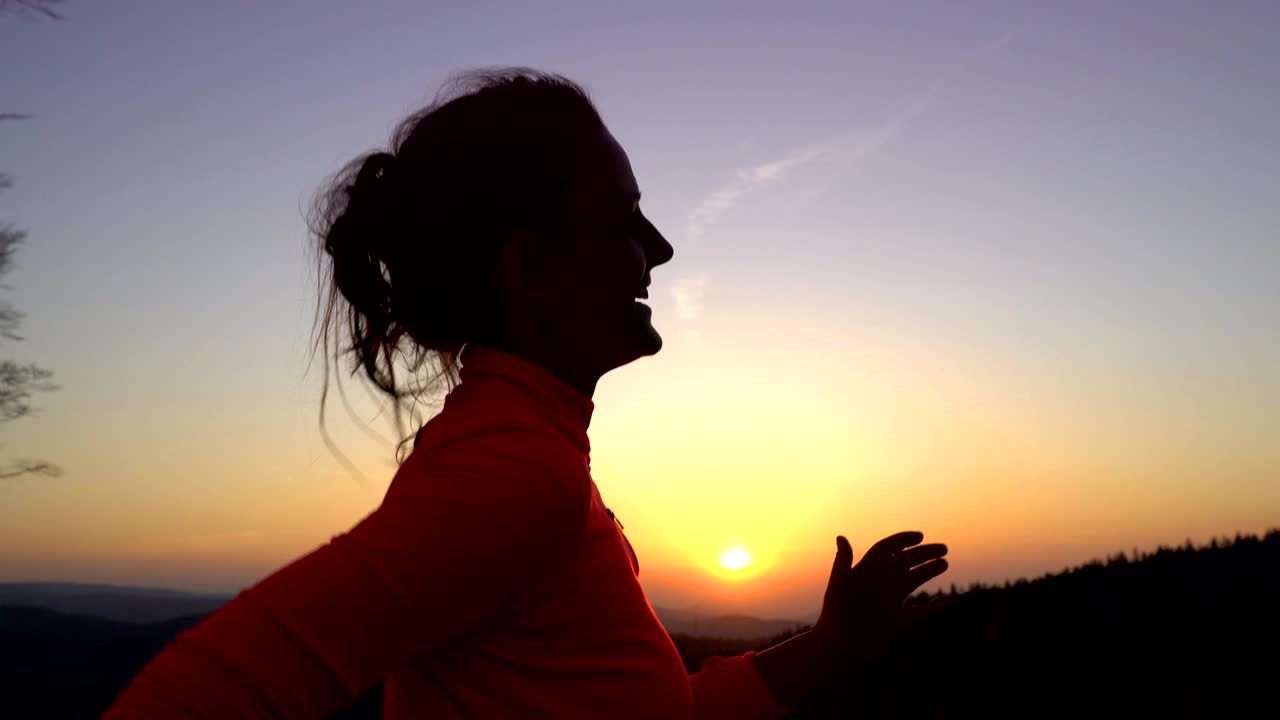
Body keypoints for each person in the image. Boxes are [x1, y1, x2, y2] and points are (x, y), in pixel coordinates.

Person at [103, 68, 949, 719]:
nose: (656, 250)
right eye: (623, 219)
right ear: (532, 268)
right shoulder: (513, 476)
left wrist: (832, 646)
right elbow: (206, 691)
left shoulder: (525, 453)